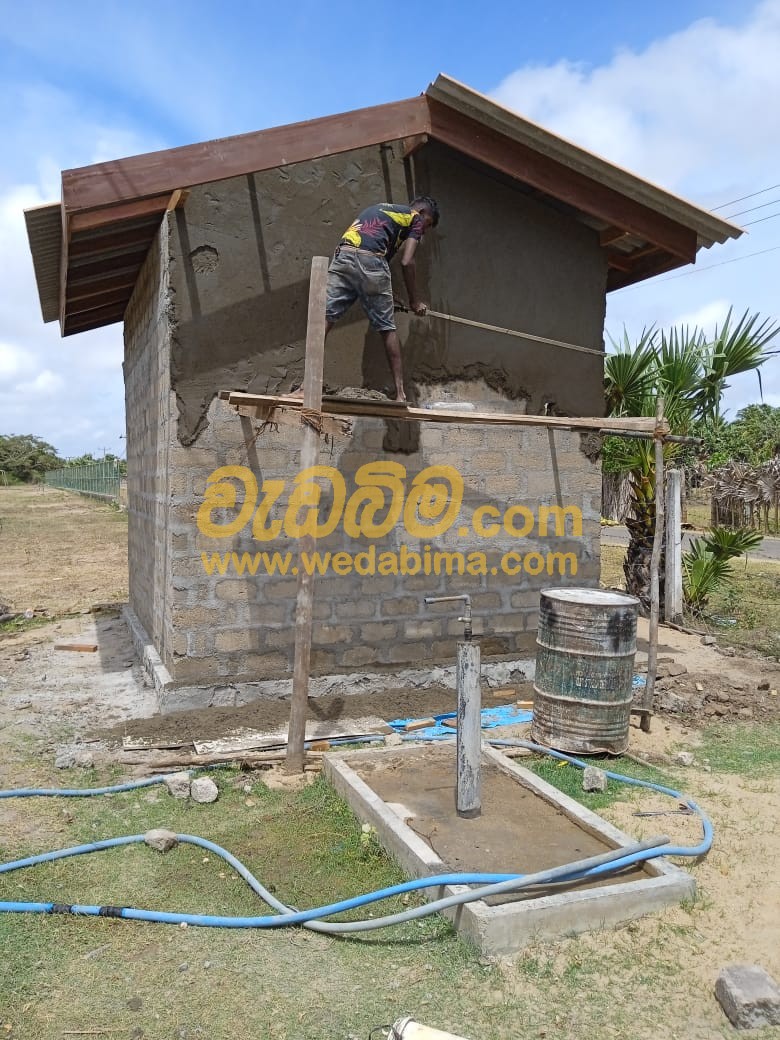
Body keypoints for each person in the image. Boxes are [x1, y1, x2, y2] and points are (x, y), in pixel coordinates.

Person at [323, 196, 440, 402]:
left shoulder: (386, 211)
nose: (423, 231)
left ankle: (307, 385)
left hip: (344, 256)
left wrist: (388, 294)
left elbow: (375, 262)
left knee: (324, 318)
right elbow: (406, 262)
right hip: (370, 260)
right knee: (387, 328)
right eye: (427, 224)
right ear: (422, 213)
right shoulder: (414, 218)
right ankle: (400, 394)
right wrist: (415, 301)